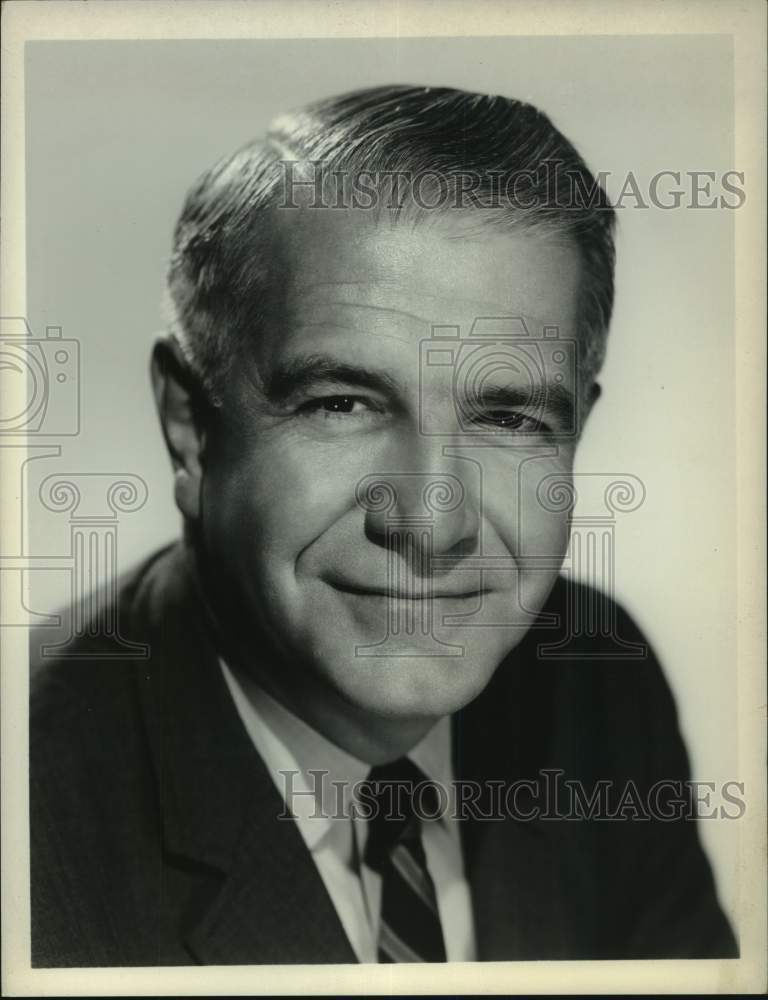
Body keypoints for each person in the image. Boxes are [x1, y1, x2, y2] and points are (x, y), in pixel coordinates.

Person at [30, 84, 737, 966]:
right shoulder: (33, 824)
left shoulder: (595, 687)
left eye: (509, 419)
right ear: (192, 427)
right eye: (344, 403)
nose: (431, 525)